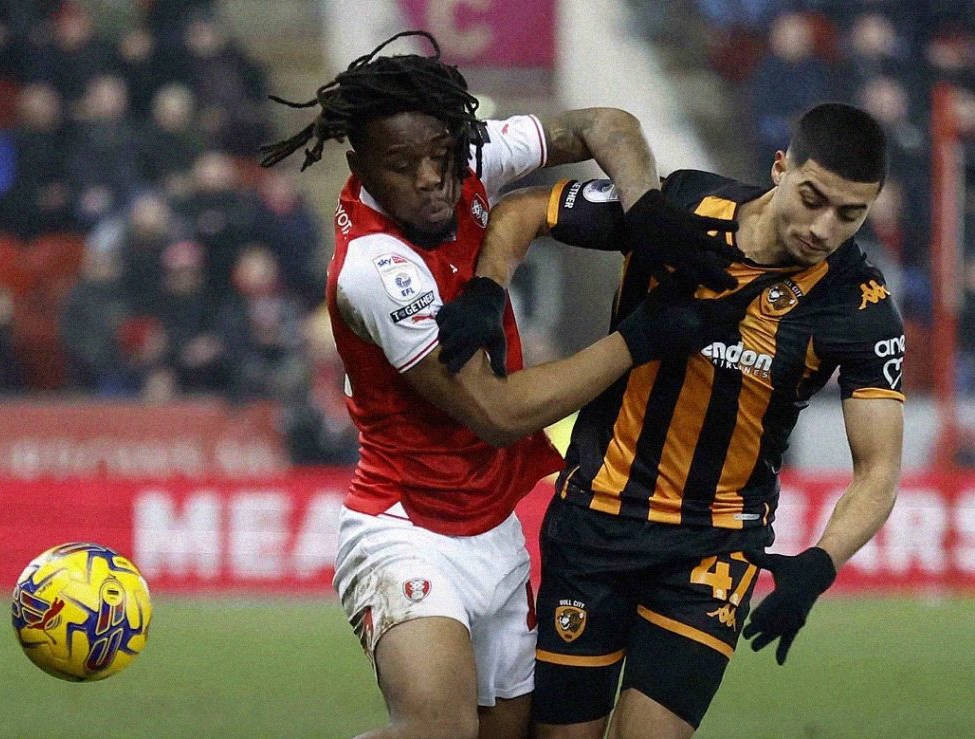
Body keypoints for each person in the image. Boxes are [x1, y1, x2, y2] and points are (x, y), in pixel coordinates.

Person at [260, 30, 743, 739]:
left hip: (494, 530)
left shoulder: (467, 155)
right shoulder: (375, 268)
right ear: (360, 165)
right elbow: (496, 413)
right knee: (438, 731)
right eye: (403, 166)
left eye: (440, 155)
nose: (431, 178)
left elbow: (605, 123)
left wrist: (645, 210)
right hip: (407, 527)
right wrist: (639, 339)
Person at [437, 102, 905, 738]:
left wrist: (822, 562)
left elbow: (878, 471)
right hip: (595, 521)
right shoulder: (680, 207)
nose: (824, 228)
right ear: (780, 169)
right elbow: (525, 211)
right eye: (812, 199)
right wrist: (488, 291)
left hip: (713, 546)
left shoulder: (860, 307)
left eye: (850, 214)